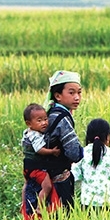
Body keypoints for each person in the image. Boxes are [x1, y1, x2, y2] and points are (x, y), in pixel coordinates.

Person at [44, 70, 84, 210]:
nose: (77, 97)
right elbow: (74, 153)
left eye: (79, 92)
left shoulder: (50, 114)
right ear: (58, 95)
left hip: (44, 177)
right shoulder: (62, 119)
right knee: (62, 219)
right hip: (58, 180)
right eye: (71, 93)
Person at [20, 103, 61, 220]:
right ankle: (39, 207)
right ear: (29, 123)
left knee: (26, 185)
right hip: (36, 167)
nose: (44, 123)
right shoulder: (36, 135)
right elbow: (39, 150)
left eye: (45, 119)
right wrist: (52, 151)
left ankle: (23, 204)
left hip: (27, 167)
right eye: (39, 120)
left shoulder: (27, 132)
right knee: (47, 186)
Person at [72, 118, 110, 210]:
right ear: (108, 136)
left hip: (87, 202)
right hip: (108, 202)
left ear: (88, 136)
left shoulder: (81, 153)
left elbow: (76, 176)